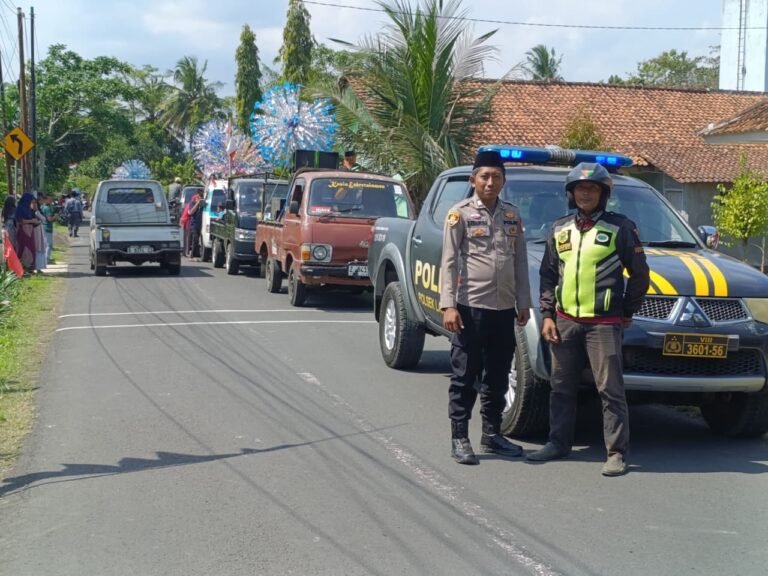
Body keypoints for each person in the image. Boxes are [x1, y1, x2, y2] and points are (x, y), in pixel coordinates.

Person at [526, 162, 650, 477]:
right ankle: (557, 443)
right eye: (579, 188)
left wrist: (626, 311)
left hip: (604, 324)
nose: (585, 193)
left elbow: (639, 275)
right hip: (565, 320)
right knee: (560, 387)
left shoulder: (621, 228)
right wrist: (547, 314)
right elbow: (547, 275)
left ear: (603, 193)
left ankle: (616, 453)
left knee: (610, 389)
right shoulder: (559, 228)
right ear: (571, 193)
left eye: (592, 188)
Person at [439, 149, 532, 465]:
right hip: (469, 307)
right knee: (465, 374)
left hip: (504, 309)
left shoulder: (512, 215)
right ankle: (459, 437)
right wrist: (448, 305)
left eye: (496, 176)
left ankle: (491, 434)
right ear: (473, 180)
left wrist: (524, 302)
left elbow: (519, 260)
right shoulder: (460, 214)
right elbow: (449, 262)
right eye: (484, 176)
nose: (490, 182)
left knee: (498, 374)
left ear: (504, 180)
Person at [14, 192, 41, 270]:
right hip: (23, 230)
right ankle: (22, 267)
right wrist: (32, 221)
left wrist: (35, 208)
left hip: (30, 230)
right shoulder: (20, 208)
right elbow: (20, 220)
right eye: (30, 200)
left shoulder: (28, 208)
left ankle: (30, 267)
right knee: (24, 248)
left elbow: (34, 216)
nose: (31, 202)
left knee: (31, 248)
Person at [186, 188, 205, 259]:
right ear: (197, 195)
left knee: (198, 240)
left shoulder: (203, 202)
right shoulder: (192, 202)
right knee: (195, 239)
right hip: (194, 224)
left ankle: (197, 253)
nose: (201, 197)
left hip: (201, 223)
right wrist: (197, 203)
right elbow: (191, 212)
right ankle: (192, 254)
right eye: (200, 195)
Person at [39, 194, 57, 264]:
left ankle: (45, 258)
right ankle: (47, 259)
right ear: (45, 199)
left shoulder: (41, 207)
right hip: (47, 228)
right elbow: (50, 219)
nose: (51, 201)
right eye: (50, 199)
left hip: (42, 227)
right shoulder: (47, 208)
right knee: (49, 244)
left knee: (44, 244)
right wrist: (56, 216)